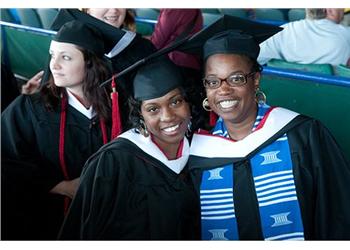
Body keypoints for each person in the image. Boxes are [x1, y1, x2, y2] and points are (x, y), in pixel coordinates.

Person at [184, 19, 350, 239]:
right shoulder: (199, 154)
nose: (223, 90)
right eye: (213, 82)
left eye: (236, 78)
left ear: (256, 80)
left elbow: (337, 216)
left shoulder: (303, 136)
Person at [58, 57, 200, 240]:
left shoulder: (202, 153)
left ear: (188, 103)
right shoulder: (114, 162)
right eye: (152, 109)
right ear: (140, 114)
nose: (168, 116)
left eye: (175, 102)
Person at [1, 20, 115, 240]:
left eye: (66, 57)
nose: (54, 65)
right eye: (53, 55)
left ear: (90, 63)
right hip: (46, 223)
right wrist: (61, 186)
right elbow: (5, 160)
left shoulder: (115, 108)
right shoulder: (29, 109)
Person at [258, 8, 350, 66]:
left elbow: (255, 61)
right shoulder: (346, 34)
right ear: (329, 10)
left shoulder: (280, 32)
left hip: (285, 94)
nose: (343, 11)